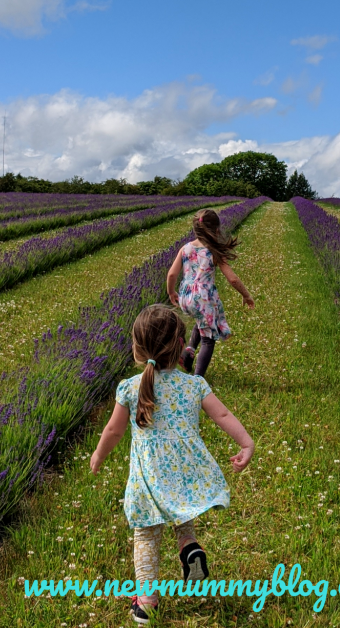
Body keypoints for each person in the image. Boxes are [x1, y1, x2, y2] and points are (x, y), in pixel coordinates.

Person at [90, 304, 254, 624]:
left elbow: (114, 430)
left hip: (149, 479)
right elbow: (222, 415)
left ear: (137, 348)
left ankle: (147, 602)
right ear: (182, 346)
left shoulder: (131, 387)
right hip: (183, 473)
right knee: (182, 512)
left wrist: (98, 454)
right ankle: (189, 547)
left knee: (147, 535)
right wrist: (246, 443)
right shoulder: (194, 384)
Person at [166, 208, 254, 378]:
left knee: (202, 321)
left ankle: (188, 353)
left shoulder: (185, 248)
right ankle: (198, 380)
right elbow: (233, 279)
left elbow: (171, 274)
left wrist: (171, 293)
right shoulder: (213, 251)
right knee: (208, 339)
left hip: (186, 297)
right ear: (216, 230)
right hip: (203, 298)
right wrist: (246, 295)